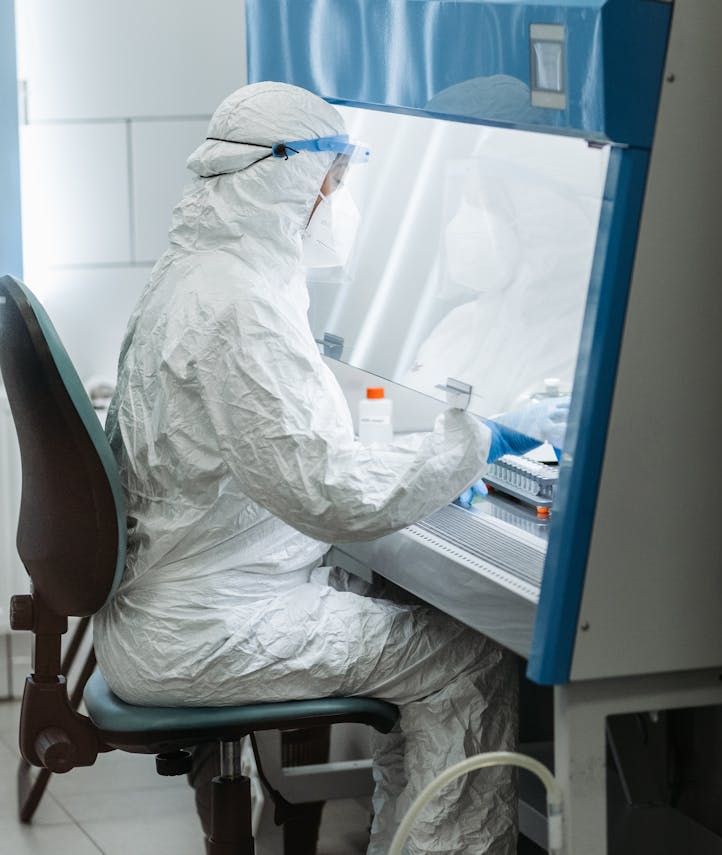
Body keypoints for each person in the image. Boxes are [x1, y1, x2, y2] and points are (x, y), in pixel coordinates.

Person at [92, 81, 530, 855]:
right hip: (208, 628)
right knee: (467, 660)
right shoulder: (239, 306)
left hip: (169, 611)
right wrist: (471, 444)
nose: (340, 200)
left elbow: (281, 446)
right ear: (287, 177)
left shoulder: (200, 272)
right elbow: (329, 496)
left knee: (411, 631)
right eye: (336, 180)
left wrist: (423, 460)